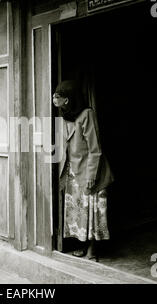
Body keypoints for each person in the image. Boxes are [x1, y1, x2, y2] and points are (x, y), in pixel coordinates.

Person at [53, 80, 114, 261]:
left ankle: (92, 251)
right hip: (73, 171)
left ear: (68, 99)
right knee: (80, 213)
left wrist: (91, 176)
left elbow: (95, 149)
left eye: (58, 96)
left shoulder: (87, 114)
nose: (54, 98)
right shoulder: (65, 115)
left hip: (89, 172)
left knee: (92, 212)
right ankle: (82, 245)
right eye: (55, 95)